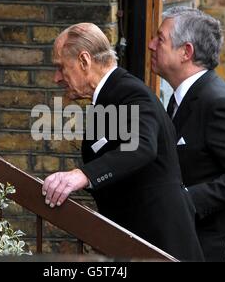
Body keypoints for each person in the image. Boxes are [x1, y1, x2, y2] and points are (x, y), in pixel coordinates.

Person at [42, 23, 204, 261]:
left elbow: (141, 146)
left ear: (84, 61)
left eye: (60, 67)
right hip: (135, 243)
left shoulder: (130, 92)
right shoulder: (108, 96)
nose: (57, 78)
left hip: (160, 243)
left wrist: (82, 175)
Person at [149, 7, 225, 262]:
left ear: (186, 52)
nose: (151, 45)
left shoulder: (217, 103)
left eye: (160, 39)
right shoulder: (180, 98)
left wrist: (186, 200)